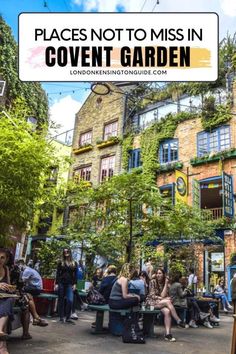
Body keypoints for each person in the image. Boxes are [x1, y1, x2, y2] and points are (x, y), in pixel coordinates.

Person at [145, 268, 185, 342]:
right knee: (167, 302)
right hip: (151, 302)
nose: (158, 275)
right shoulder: (152, 282)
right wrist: (162, 298)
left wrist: (166, 284)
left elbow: (165, 295)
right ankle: (178, 320)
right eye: (157, 273)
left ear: (164, 275)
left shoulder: (165, 283)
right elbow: (152, 295)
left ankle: (168, 334)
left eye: (160, 273)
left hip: (161, 303)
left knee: (167, 312)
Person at [14, 260, 48, 327]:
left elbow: (21, 281)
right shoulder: (29, 269)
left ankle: (35, 318)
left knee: (23, 291)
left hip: (36, 288)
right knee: (27, 295)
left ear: (21, 264)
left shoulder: (27, 271)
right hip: (35, 288)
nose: (18, 267)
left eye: (18, 265)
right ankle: (36, 318)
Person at [55, 248, 77, 324]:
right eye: (64, 252)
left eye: (67, 251)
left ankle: (68, 318)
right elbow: (58, 273)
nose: (66, 253)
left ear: (70, 252)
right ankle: (61, 317)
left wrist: (75, 284)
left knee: (70, 300)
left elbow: (75, 275)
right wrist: (56, 283)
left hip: (69, 283)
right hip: (61, 283)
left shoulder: (74, 263)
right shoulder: (61, 262)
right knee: (61, 300)